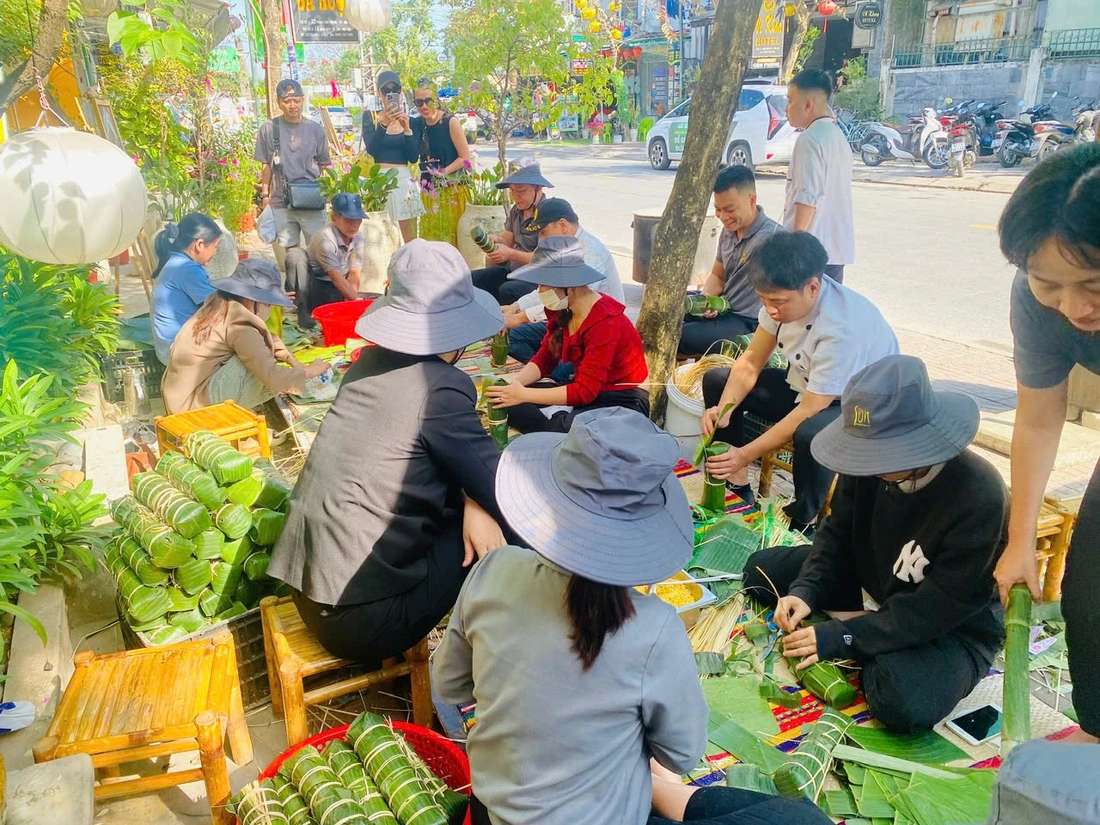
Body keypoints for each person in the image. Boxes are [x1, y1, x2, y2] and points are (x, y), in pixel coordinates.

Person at [433, 407, 832, 825]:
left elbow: (451, 685)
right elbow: (680, 753)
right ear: (642, 526)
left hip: (491, 811)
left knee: (786, 814)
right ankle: (661, 796)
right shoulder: (654, 628)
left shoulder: (495, 569)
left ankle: (662, 796)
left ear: (550, 494)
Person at [269, 241, 511, 665]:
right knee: (507, 530)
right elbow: (501, 488)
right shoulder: (442, 388)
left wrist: (471, 500)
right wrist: (478, 502)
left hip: (309, 590)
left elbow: (428, 463)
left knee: (472, 510)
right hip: (363, 620)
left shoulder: (365, 366)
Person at [742, 355, 1008, 734]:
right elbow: (836, 533)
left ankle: (867, 629)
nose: (868, 463)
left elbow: (936, 610)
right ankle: (868, 628)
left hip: (948, 624)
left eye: (881, 454)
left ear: (918, 444)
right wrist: (807, 590)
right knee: (759, 572)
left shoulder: (980, 496)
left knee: (902, 702)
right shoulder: (868, 463)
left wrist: (844, 637)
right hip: (872, 582)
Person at [994, 143, 1100, 745]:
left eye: (1093, 284)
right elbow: (1038, 419)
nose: (1075, 309)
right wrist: (1019, 542)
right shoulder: (1035, 303)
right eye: (1050, 285)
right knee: (1088, 598)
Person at [701, 231, 897, 531]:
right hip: (810, 388)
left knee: (810, 433)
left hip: (861, 408)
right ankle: (736, 484)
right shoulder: (778, 302)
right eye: (763, 300)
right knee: (718, 380)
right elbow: (751, 360)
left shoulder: (842, 329)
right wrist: (724, 409)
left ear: (813, 287)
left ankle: (802, 516)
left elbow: (809, 409)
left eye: (778, 302)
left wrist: (745, 454)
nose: (770, 310)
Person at [486, 235, 648, 434]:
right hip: (587, 391)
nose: (540, 291)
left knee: (573, 432)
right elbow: (546, 357)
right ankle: (558, 416)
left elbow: (585, 391)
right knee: (507, 402)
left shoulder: (606, 323)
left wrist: (525, 394)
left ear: (570, 287)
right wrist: (515, 385)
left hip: (623, 400)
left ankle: (558, 419)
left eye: (544, 285)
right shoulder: (561, 308)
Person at [161, 259, 331, 414]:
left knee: (259, 352)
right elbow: (271, 375)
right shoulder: (239, 327)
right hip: (193, 409)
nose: (269, 308)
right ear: (252, 300)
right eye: (268, 303)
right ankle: (227, 418)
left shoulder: (220, 302)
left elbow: (265, 338)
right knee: (259, 366)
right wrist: (309, 371)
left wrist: (290, 359)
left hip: (177, 399)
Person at [501, 197, 624, 365]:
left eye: (543, 233)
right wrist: (516, 307)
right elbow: (545, 292)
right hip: (568, 321)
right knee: (518, 338)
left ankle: (556, 378)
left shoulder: (590, 253)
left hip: (594, 332)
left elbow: (564, 301)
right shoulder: (562, 248)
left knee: (556, 366)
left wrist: (520, 318)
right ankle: (546, 376)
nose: (541, 240)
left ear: (563, 225)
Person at [680, 165, 784, 358]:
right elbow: (718, 275)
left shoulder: (773, 239)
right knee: (667, 308)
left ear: (752, 200)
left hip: (747, 321)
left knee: (679, 335)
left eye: (729, 209)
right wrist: (707, 299)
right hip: (723, 305)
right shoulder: (729, 231)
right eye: (717, 209)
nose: (723, 217)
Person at [782, 69, 854, 283]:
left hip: (811, 252)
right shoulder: (837, 136)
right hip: (835, 250)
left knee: (806, 315)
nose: (786, 109)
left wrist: (795, 247)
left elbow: (808, 197)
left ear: (808, 105)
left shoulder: (810, 139)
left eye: (790, 100)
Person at [255, 79, 332, 254]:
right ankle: (296, 281)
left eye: (296, 100)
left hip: (311, 201)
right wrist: (265, 195)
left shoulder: (315, 129)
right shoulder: (268, 128)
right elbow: (266, 164)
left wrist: (308, 186)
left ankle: (317, 282)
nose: (292, 105)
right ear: (279, 103)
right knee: (291, 252)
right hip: (281, 201)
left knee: (318, 250)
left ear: (303, 100)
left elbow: (323, 163)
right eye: (287, 101)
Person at [469, 161, 551, 303]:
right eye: (512, 191)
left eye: (521, 191)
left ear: (538, 188)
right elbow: (507, 240)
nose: (515, 196)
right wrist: (495, 241)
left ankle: (509, 323)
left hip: (537, 277)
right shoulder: (516, 210)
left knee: (507, 290)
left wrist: (510, 253)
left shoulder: (548, 214)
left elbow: (542, 259)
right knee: (471, 279)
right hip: (513, 271)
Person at [283, 193, 368, 330]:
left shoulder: (359, 238)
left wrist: (352, 304)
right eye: (349, 220)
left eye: (358, 219)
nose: (355, 225)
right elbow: (336, 277)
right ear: (334, 219)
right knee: (295, 254)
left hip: (335, 290)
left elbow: (354, 273)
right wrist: (354, 300)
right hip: (313, 286)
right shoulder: (326, 239)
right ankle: (302, 310)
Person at [151, 213, 223, 364]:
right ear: (199, 245)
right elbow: (221, 309)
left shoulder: (176, 262)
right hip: (180, 353)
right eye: (215, 247)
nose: (215, 253)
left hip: (168, 349)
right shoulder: (187, 268)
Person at [361, 71, 423, 242]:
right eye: (385, 90)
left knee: (410, 238)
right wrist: (383, 124)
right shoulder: (371, 117)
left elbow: (413, 157)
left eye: (394, 89)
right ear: (379, 93)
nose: (390, 93)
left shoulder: (412, 121)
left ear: (400, 92)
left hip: (404, 180)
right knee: (383, 237)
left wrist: (408, 129)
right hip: (380, 180)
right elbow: (372, 149)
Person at [411, 80, 473, 181]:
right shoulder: (418, 123)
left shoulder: (450, 122)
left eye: (428, 101)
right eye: (419, 102)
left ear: (436, 100)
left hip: (453, 186)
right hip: (429, 188)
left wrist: (443, 172)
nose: (424, 106)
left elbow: (465, 157)